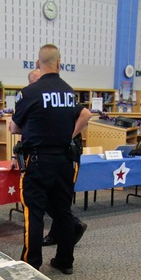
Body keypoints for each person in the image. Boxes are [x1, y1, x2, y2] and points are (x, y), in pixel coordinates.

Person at [9, 44, 91, 274]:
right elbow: (80, 117)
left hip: (38, 161)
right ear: (59, 62)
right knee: (63, 211)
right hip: (64, 161)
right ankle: (65, 260)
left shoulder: (29, 92)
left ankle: (32, 263)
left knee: (34, 213)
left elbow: (15, 126)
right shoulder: (68, 91)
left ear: (38, 63)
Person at [30, 67, 87, 249]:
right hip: (50, 157)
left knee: (58, 201)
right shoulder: (37, 100)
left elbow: (86, 114)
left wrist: (70, 135)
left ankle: (71, 225)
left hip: (66, 156)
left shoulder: (61, 97)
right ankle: (60, 232)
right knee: (54, 200)